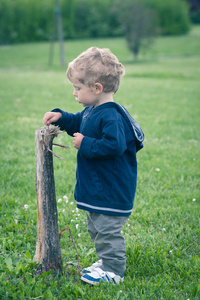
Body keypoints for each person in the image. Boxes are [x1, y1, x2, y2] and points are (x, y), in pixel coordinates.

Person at [43, 47, 144, 285]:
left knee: (107, 231)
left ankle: (113, 271)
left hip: (111, 190)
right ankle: (105, 261)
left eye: (78, 88)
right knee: (96, 228)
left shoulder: (111, 116)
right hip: (98, 190)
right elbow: (79, 120)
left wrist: (85, 143)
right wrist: (62, 117)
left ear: (96, 88)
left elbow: (114, 146)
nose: (74, 93)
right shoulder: (93, 110)